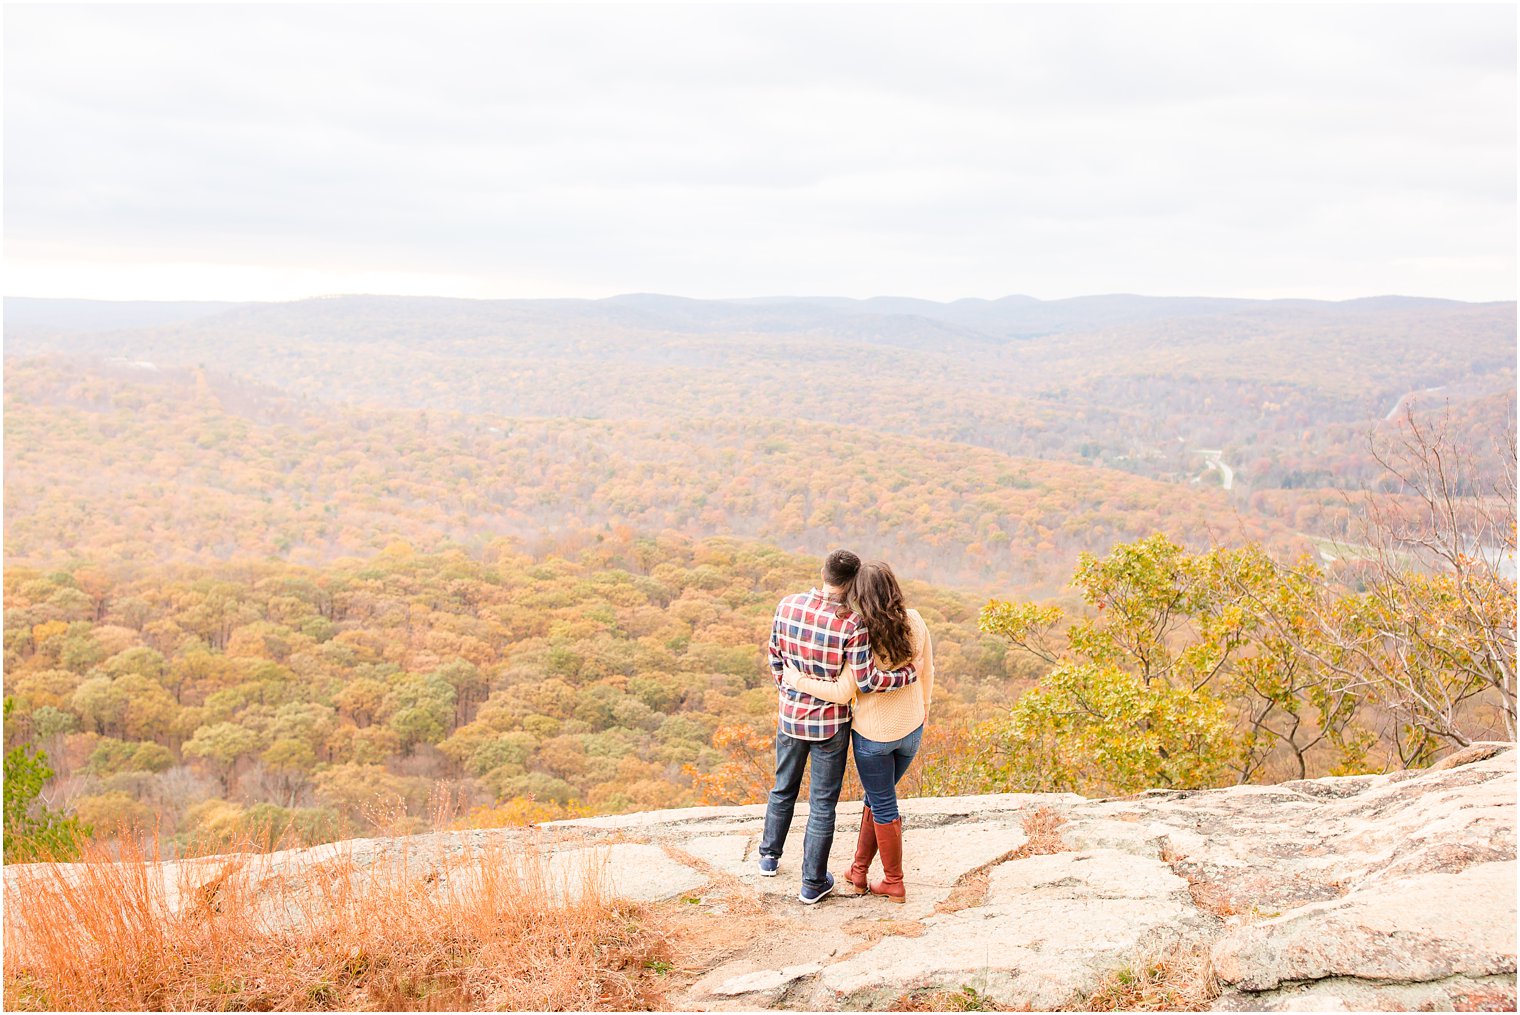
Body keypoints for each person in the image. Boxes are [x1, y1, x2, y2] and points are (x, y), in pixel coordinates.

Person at [760, 549, 918, 905]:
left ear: (823, 571)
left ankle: (769, 857)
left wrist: (790, 689)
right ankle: (811, 883)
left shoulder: (787, 605)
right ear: (852, 584)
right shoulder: (852, 624)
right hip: (830, 726)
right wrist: (905, 677)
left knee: (782, 787)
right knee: (821, 804)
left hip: (790, 716)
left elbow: (775, 656)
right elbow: (865, 680)